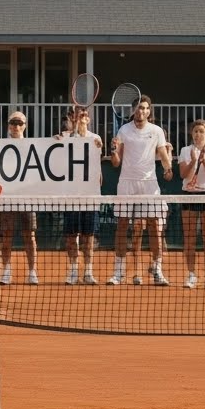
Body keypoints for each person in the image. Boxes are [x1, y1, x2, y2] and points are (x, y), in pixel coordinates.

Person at [109, 95, 172, 285]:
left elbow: (162, 154)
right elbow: (116, 163)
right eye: (138, 107)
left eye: (145, 108)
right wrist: (113, 150)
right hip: (126, 183)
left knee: (154, 227)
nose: (142, 111)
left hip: (149, 184)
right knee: (122, 226)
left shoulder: (157, 131)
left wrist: (168, 168)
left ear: (149, 111)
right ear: (133, 110)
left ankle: (157, 270)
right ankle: (118, 272)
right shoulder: (123, 130)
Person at [59, 107, 103, 285]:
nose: (82, 117)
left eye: (84, 115)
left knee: (89, 236)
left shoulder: (96, 139)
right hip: (71, 195)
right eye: (78, 115)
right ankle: (72, 271)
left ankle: (88, 272)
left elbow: (97, 164)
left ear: (89, 119)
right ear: (73, 118)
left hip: (90, 195)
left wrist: (99, 146)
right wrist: (57, 140)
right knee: (71, 235)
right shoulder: (64, 138)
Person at [178, 119, 205, 290]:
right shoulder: (185, 150)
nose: (198, 134)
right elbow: (183, 174)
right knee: (189, 238)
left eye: (202, 131)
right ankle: (191, 275)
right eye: (195, 131)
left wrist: (204, 160)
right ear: (191, 134)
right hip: (189, 196)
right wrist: (193, 161)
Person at [0, 110, 38, 285]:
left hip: (27, 197)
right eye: (13, 123)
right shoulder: (0, 146)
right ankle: (6, 271)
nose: (16, 126)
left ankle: (32, 271)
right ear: (9, 126)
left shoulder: (33, 146)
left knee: (29, 235)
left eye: (19, 123)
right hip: (7, 197)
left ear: (25, 126)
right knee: (6, 234)